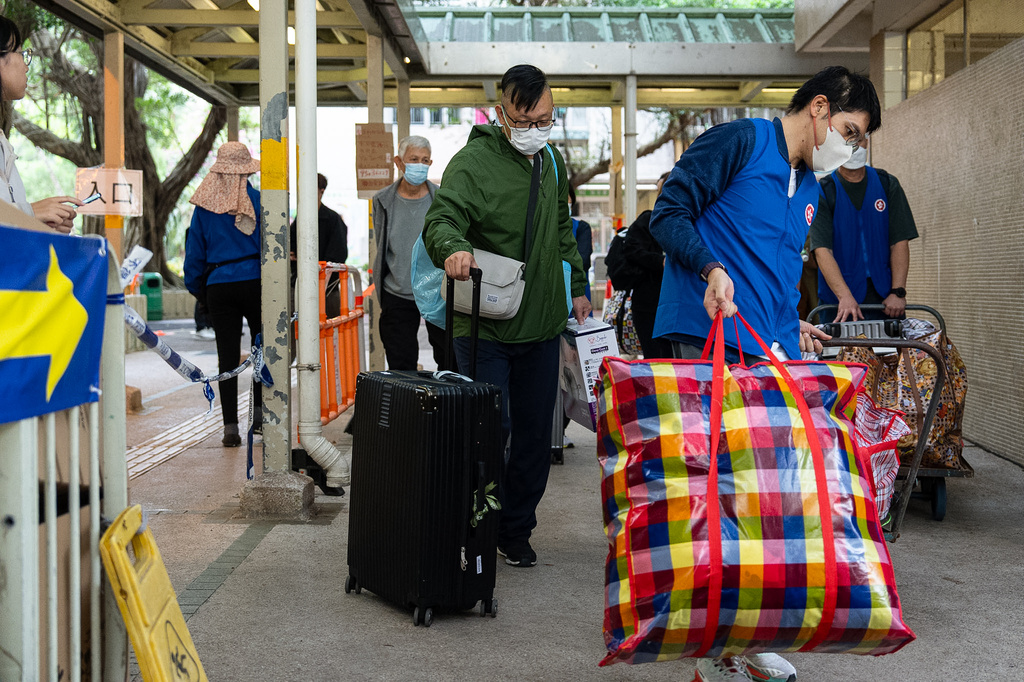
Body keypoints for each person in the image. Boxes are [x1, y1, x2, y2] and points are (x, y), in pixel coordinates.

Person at [650, 65, 881, 682]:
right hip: (705, 336)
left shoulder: (810, 188)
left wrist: (791, 331)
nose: (854, 148)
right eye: (852, 132)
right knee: (711, 493)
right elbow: (666, 214)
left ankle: (743, 637)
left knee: (764, 496)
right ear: (821, 110)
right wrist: (710, 267)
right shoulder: (739, 143)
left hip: (765, 353)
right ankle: (704, 645)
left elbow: (778, 280)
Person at [424, 64, 590, 568]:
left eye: (546, 119)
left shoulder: (552, 161)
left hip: (540, 323)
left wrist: (578, 287)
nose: (536, 129)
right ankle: (477, 522)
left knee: (537, 436)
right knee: (486, 430)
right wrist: (453, 249)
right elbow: (442, 218)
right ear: (502, 114)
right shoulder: (472, 162)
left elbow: (563, 230)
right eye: (525, 120)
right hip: (484, 324)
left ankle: (515, 528)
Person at [183, 142, 262, 447]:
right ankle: (260, 416)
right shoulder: (259, 200)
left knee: (226, 357)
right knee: (262, 352)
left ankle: (231, 427)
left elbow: (194, 255)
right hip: (256, 283)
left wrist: (200, 291)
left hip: (219, 286)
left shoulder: (204, 207)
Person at [809, 139, 918, 322]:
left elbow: (899, 241)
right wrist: (844, 296)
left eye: (859, 139)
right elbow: (822, 251)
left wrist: (898, 292)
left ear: (867, 141)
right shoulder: (824, 191)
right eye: (846, 140)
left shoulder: (887, 184)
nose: (854, 146)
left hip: (885, 301)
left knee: (889, 351)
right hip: (837, 304)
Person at [371, 135, 449, 370]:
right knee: (401, 363)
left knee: (448, 360)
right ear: (399, 162)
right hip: (397, 292)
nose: (419, 164)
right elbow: (383, 242)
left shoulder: (441, 200)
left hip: (438, 293)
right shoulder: (383, 201)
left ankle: (443, 405)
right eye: (413, 159)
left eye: (424, 160)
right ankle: (407, 406)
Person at [0, 17, 82, 232]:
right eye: (20, 52)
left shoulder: (2, 141)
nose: (26, 66)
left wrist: (39, 225)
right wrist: (31, 213)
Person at [611, 171, 673, 359]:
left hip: (678, 306)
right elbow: (632, 250)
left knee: (678, 362)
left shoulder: (694, 222)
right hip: (648, 304)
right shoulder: (648, 220)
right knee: (655, 359)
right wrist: (660, 261)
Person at [290, 173, 348, 318]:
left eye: (311, 188)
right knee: (296, 333)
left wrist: (310, 263)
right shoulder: (299, 219)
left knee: (328, 335)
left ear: (322, 191)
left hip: (327, 290)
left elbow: (339, 255)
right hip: (299, 288)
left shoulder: (333, 220)